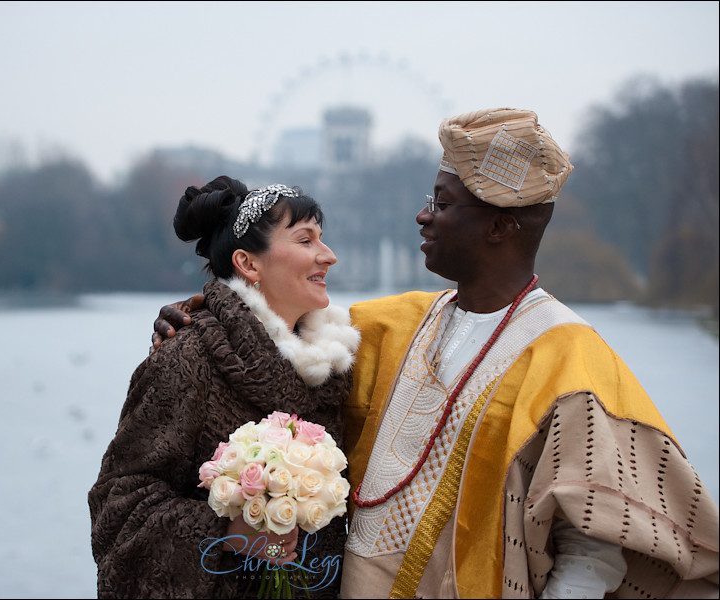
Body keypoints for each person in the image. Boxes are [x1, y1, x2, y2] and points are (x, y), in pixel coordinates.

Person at [151, 109, 720, 598]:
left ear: (499, 226)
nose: (423, 215)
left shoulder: (573, 358)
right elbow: (275, 328)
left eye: (442, 203)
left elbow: (592, 552)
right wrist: (208, 308)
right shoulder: (390, 326)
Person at [88, 176, 360, 599]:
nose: (329, 255)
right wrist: (230, 531)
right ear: (249, 264)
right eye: (306, 240)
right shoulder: (187, 358)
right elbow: (117, 508)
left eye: (322, 239)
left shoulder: (336, 370)